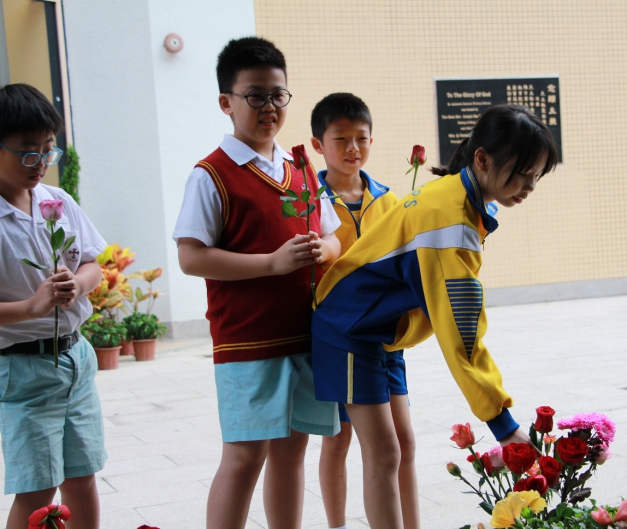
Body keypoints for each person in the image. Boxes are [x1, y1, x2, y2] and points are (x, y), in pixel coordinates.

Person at [312, 104, 558, 528]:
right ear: (482, 159)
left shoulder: (457, 196)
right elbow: (461, 332)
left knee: (402, 444)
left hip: (382, 328)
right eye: (522, 173)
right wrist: (502, 424)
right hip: (348, 325)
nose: (530, 186)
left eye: (536, 176)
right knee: (383, 452)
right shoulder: (450, 221)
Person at [172, 37, 342, 529]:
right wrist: (271, 264)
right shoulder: (211, 174)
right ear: (226, 102)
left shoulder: (301, 169)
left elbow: (333, 236)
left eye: (277, 95)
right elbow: (190, 257)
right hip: (247, 341)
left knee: (292, 451)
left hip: (306, 336)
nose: (269, 106)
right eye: (255, 95)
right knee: (245, 457)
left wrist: (323, 250)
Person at [309, 93, 419, 529]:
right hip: (341, 335)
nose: (352, 147)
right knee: (339, 440)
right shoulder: (310, 200)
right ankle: (337, 524)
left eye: (361, 137)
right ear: (318, 144)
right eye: (341, 138)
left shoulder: (389, 201)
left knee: (404, 442)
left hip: (385, 335)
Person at [0, 83, 106, 529]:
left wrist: (78, 284)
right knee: (37, 489)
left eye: (48, 150)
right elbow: (29, 307)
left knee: (82, 478)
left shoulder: (56, 201)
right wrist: (31, 306)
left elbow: (94, 264)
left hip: (75, 358)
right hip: (23, 369)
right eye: (28, 152)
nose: (41, 162)